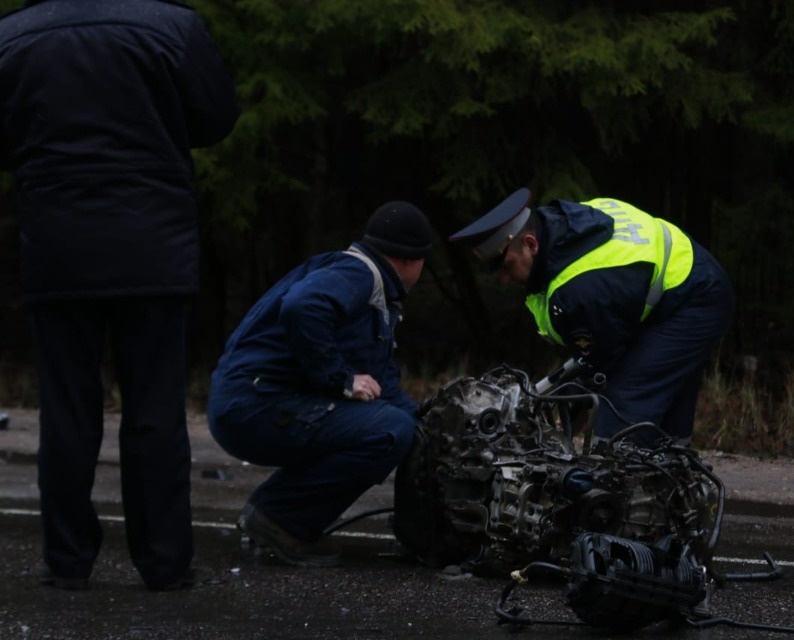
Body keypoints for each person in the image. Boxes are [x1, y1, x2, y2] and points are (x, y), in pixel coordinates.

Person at [0, 0, 240, 591]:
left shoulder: (11, 36)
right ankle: (163, 562)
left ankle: (67, 562)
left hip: (57, 243)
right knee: (155, 412)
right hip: (150, 242)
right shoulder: (170, 26)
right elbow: (216, 117)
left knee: (66, 412)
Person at [207, 201, 432, 567]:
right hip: (254, 404)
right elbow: (302, 306)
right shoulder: (359, 273)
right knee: (390, 432)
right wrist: (339, 380)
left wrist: (430, 424)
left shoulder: (369, 293)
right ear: (411, 259)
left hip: (250, 403)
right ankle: (280, 520)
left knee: (398, 424)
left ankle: (273, 513)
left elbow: (385, 390)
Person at [449, 188, 735, 448]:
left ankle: (616, 488)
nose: (502, 278)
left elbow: (602, 366)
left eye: (506, 265)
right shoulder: (566, 224)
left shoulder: (577, 292)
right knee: (663, 397)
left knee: (625, 404)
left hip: (695, 298)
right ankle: (674, 482)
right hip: (678, 280)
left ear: (531, 243)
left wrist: (572, 420)